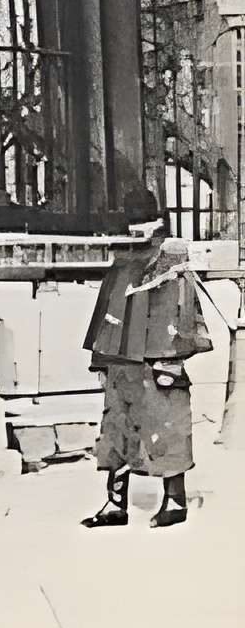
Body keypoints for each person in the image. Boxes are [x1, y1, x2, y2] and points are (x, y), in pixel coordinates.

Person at [82, 200, 212, 530]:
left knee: (166, 428)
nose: (135, 230)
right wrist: (101, 360)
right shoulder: (123, 259)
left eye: (141, 223)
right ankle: (115, 504)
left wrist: (171, 357)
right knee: (117, 432)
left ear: (156, 221)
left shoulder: (170, 258)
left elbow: (179, 309)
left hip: (158, 358)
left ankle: (175, 501)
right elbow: (108, 310)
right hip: (121, 358)